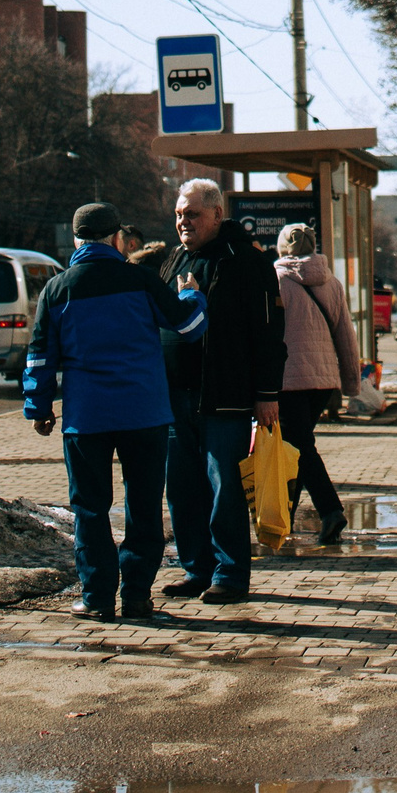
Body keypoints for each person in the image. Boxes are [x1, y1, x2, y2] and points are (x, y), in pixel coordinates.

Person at [25, 202, 207, 620]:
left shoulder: (57, 289)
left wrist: (38, 408)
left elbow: (40, 358)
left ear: (76, 239)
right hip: (145, 413)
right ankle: (138, 596)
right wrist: (191, 294)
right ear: (116, 238)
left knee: (90, 508)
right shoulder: (141, 281)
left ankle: (97, 598)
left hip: (86, 417)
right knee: (143, 505)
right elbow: (189, 326)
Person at [156, 178, 286, 604]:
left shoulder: (244, 261)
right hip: (176, 398)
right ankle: (197, 569)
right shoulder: (175, 259)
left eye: (191, 213)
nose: (183, 221)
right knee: (182, 488)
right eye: (178, 214)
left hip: (225, 396)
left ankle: (230, 573)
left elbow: (268, 332)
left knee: (223, 487)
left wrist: (267, 393)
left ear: (215, 213)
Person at [273, 223, 361, 544]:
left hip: (287, 379)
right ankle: (285, 516)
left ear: (283, 248)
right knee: (296, 447)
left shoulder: (276, 280)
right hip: (323, 382)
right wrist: (351, 382)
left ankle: (330, 510)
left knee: (298, 446)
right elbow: (346, 336)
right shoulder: (332, 283)